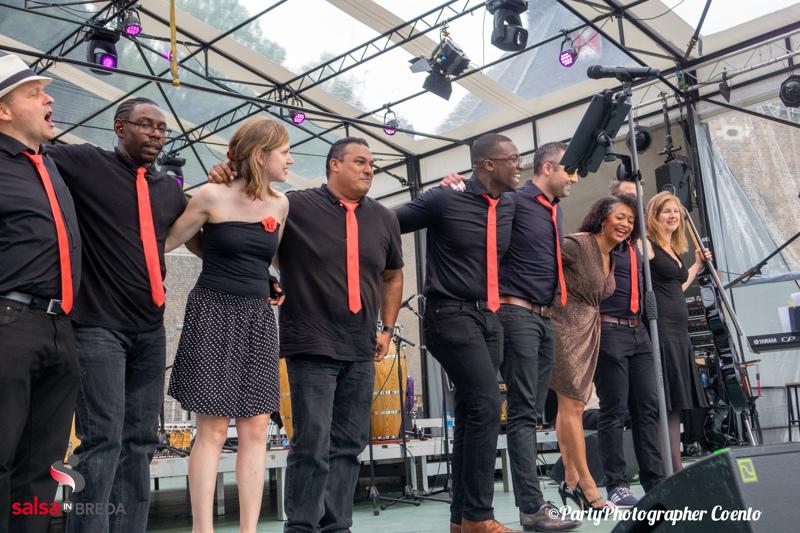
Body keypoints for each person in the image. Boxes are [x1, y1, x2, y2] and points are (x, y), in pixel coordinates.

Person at [209, 136, 404, 533]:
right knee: (311, 442)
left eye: (372, 164)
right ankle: (301, 526)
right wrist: (226, 178)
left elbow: (393, 275)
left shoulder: (384, 218)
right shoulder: (294, 205)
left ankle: (337, 525)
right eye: (360, 162)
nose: (369, 170)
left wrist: (386, 328)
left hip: (361, 346)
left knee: (348, 444)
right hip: (310, 343)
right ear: (334, 164)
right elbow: (249, 222)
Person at [43, 97, 188, 533]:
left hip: (150, 330)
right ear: (119, 127)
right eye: (146, 125)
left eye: (161, 128)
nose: (156, 134)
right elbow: (30, 148)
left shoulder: (169, 189)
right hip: (97, 326)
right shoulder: (87, 163)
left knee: (140, 442)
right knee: (102, 439)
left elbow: (204, 231)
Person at [440, 142, 580, 532]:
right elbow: (478, 208)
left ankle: (464, 517)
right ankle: (532, 508)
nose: (574, 178)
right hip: (515, 313)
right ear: (548, 168)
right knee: (522, 413)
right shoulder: (514, 200)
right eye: (569, 170)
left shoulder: (554, 209)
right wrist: (454, 186)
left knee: (529, 411)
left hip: (545, 316)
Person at [164, 117, 291, 532]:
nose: (290, 159)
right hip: (213, 311)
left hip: (258, 316)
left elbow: (265, 258)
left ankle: (248, 530)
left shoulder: (281, 204)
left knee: (256, 427)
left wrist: (273, 282)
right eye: (284, 152)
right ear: (261, 155)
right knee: (214, 428)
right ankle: (202, 529)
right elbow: (167, 241)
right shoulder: (210, 195)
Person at [396, 133, 520, 533]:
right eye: (513, 158)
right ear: (487, 164)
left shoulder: (509, 204)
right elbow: (385, 223)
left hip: (490, 317)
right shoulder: (444, 199)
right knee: (486, 403)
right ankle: (480, 516)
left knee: (471, 412)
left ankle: (461, 519)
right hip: (449, 313)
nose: (520, 164)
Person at [0, 53, 82, 533]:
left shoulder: (50, 165)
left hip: (60, 328)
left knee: (42, 467)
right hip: (8, 323)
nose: (49, 99)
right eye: (34, 93)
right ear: (3, 110)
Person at [549, 195, 637, 511]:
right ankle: (589, 487)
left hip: (588, 329)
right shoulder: (579, 243)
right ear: (602, 218)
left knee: (570, 405)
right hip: (565, 325)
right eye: (620, 217)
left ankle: (570, 480)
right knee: (573, 404)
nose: (626, 224)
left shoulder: (611, 254)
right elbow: (542, 259)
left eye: (631, 220)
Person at [594, 179, 664, 509]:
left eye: (632, 213)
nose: (626, 220)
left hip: (639, 332)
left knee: (647, 406)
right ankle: (617, 485)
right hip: (610, 330)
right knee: (614, 409)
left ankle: (655, 480)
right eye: (621, 209)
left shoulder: (638, 244)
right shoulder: (599, 244)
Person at [645, 191, 710, 473]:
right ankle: (666, 467)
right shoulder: (647, 244)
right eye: (666, 211)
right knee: (664, 401)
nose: (673, 216)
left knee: (674, 402)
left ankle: (676, 465)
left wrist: (696, 266)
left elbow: (676, 287)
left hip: (679, 331)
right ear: (654, 215)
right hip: (661, 329)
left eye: (676, 211)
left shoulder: (672, 248)